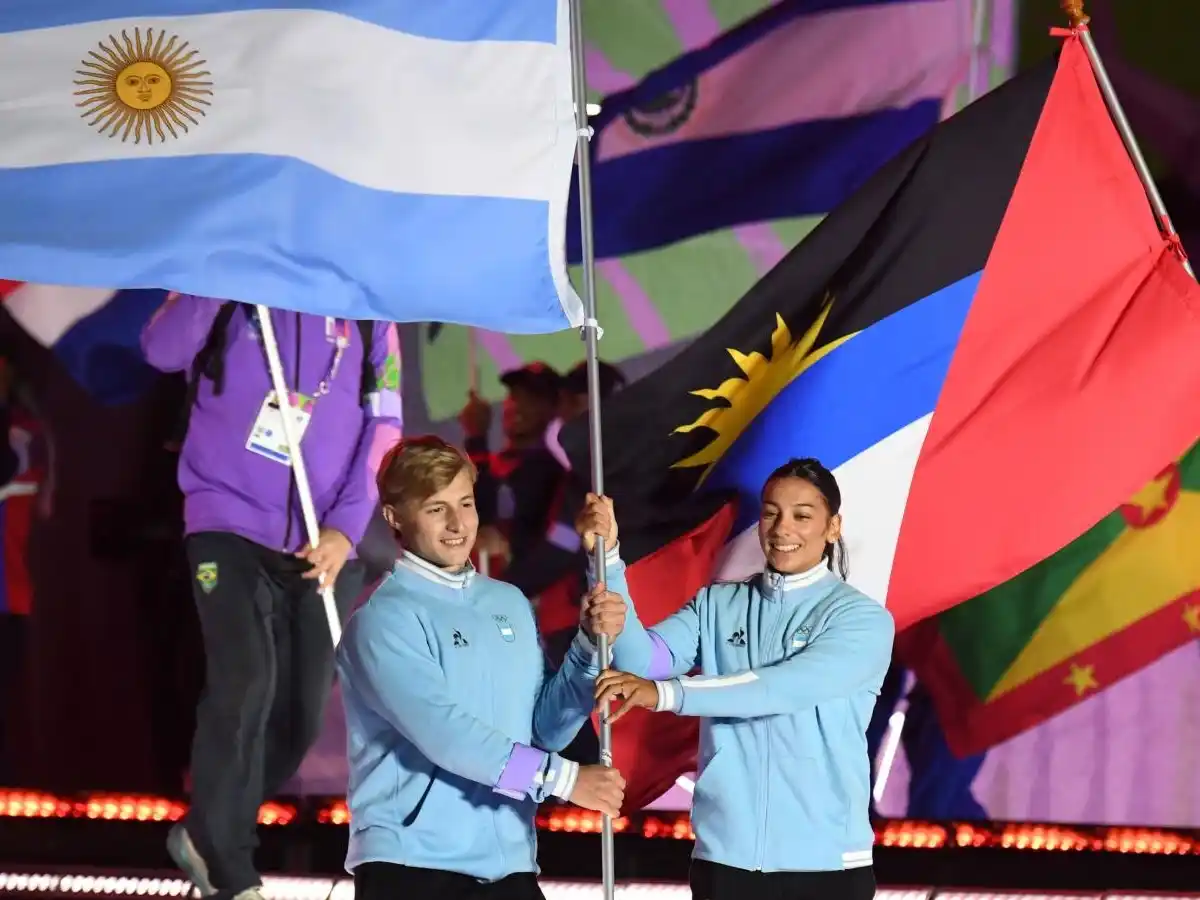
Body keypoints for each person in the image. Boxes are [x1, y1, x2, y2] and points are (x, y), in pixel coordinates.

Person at [140, 296, 403, 900]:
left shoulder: (370, 315)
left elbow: (384, 422)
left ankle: (207, 829)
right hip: (224, 525)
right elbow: (161, 351)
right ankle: (232, 870)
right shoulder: (231, 285)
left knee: (297, 721)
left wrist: (346, 525)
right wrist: (218, 275)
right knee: (244, 680)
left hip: (323, 543)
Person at [577, 458, 894, 900]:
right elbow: (642, 661)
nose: (783, 528)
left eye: (803, 516)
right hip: (724, 861)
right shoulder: (718, 604)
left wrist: (666, 694)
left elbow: (777, 688)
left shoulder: (861, 619)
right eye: (771, 512)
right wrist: (607, 559)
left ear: (833, 527)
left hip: (824, 864)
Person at [336, 435, 626, 900]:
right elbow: (449, 737)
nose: (457, 524)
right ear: (395, 517)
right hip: (412, 868)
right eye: (435, 509)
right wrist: (566, 779)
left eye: (465, 503)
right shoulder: (382, 619)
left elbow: (543, 729)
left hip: (509, 863)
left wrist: (589, 647)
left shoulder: (506, 602)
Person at [459, 362, 563, 573]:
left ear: (552, 410)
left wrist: (477, 439)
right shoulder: (488, 463)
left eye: (531, 399)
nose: (517, 406)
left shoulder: (550, 472)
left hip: (518, 593)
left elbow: (485, 515)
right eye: (514, 396)